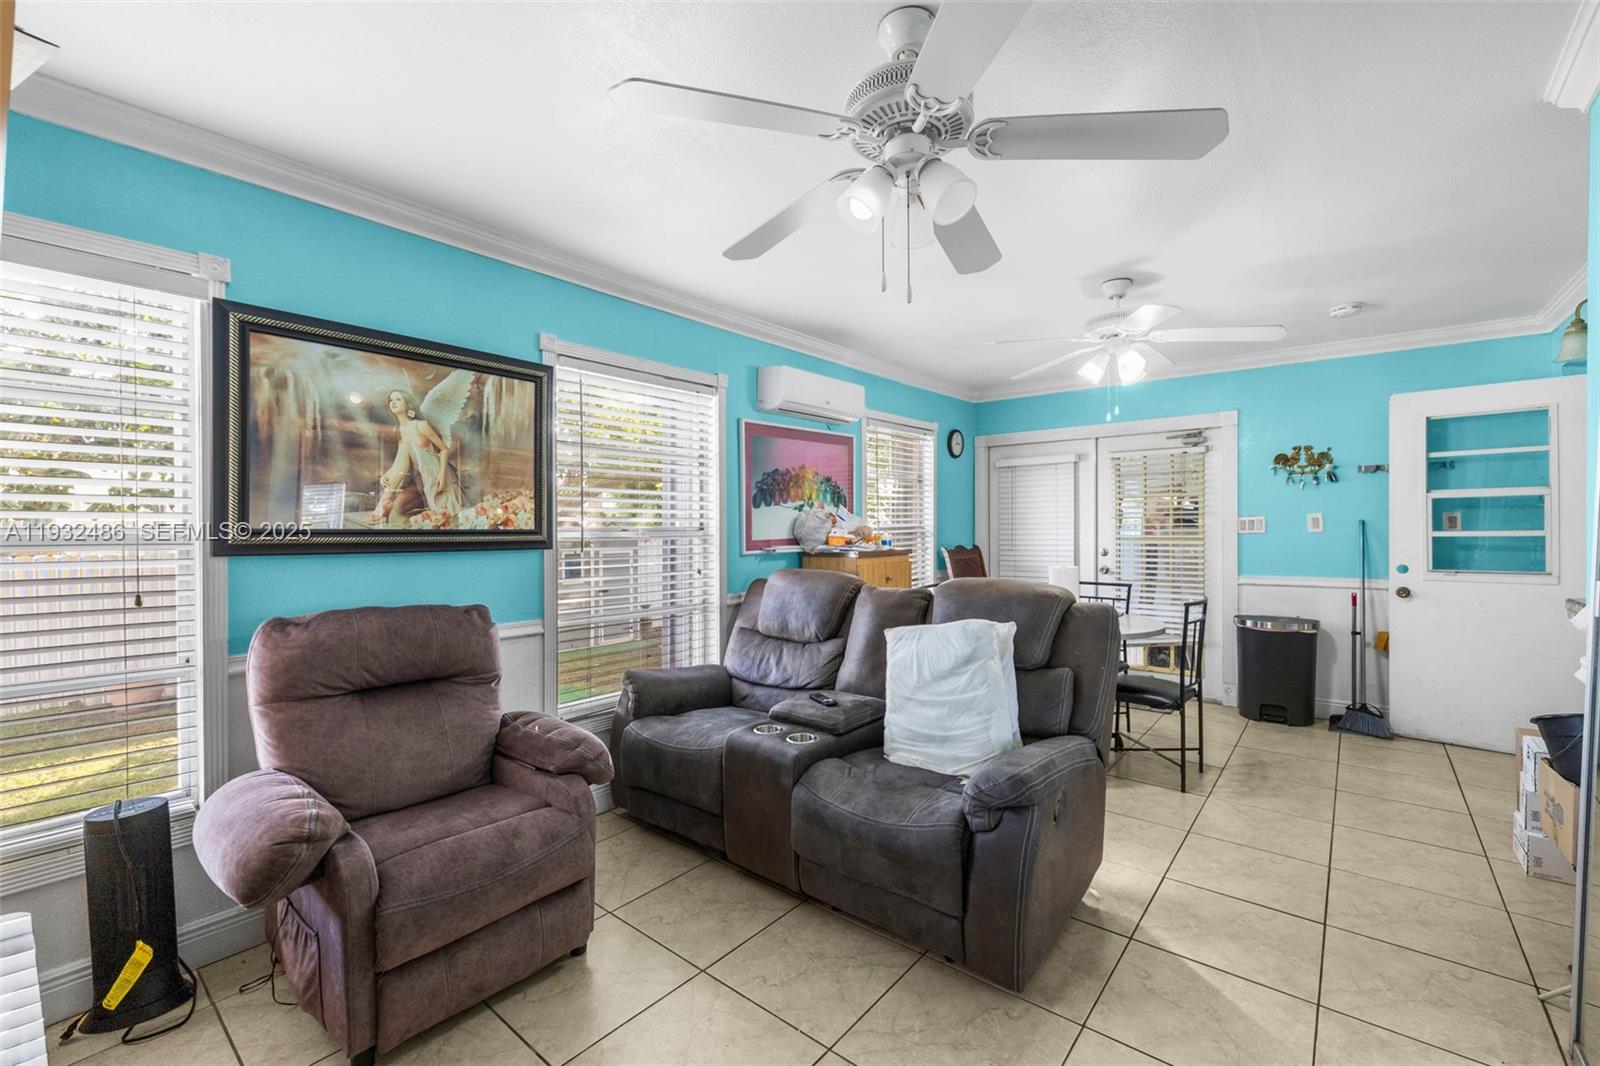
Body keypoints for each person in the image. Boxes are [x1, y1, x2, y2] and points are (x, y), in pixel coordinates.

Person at [372, 388, 465, 523]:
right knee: (437, 518)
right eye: (391, 400)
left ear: (408, 405)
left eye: (398, 399)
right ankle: (383, 503)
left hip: (438, 472)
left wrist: (442, 473)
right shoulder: (399, 430)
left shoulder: (420, 426)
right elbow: (401, 459)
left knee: (450, 517)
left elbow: (444, 449)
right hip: (425, 476)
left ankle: (382, 504)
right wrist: (388, 473)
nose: (393, 402)